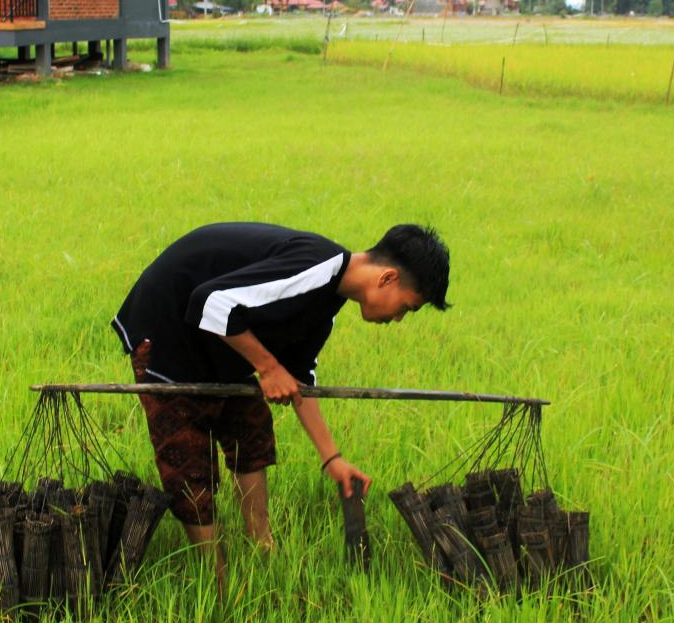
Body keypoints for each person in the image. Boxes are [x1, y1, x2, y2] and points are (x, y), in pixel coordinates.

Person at [111, 222, 449, 571]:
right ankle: (215, 575)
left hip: (220, 342)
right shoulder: (315, 268)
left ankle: (262, 548)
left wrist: (332, 458)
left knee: (250, 430)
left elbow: (301, 380)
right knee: (188, 458)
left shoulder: (327, 301)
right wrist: (268, 367)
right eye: (407, 308)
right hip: (169, 329)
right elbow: (210, 302)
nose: (398, 319)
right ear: (387, 278)